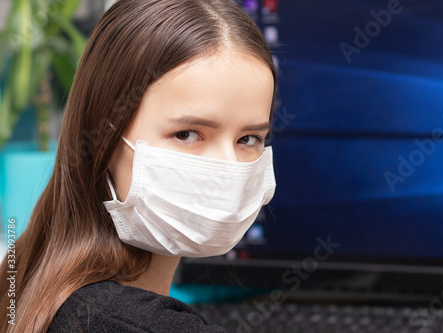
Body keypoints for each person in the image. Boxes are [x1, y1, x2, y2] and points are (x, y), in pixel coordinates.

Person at [0, 0, 277, 331]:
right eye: (187, 134)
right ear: (106, 136)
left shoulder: (38, 283)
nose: (227, 169)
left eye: (248, 139)